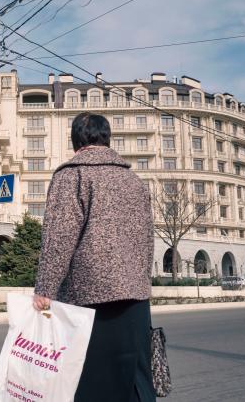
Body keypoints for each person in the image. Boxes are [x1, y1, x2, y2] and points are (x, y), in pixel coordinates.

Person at [33, 113, 155, 402]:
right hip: (136, 296)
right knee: (132, 380)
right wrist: (140, 279)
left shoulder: (72, 175)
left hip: (88, 298)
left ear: (75, 140)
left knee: (91, 381)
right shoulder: (134, 180)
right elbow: (148, 239)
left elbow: (59, 238)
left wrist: (45, 289)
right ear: (107, 138)